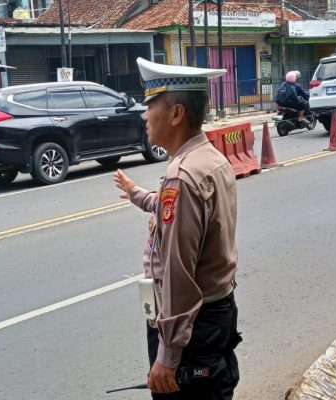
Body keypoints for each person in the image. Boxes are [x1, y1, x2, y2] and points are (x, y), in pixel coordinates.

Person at [114, 57, 241, 399]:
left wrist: (167, 356)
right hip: (213, 316)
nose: (144, 115)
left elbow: (179, 273)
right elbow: (185, 215)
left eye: (151, 105)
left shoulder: (182, 175)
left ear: (176, 114)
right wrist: (136, 194)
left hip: (191, 329)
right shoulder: (209, 159)